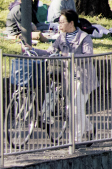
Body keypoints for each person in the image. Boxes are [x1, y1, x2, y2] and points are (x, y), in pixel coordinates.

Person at [22, 9, 98, 142]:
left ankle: (76, 140)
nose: (60, 24)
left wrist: (68, 56)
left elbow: (88, 56)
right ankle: (89, 128)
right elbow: (49, 52)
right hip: (68, 77)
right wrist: (32, 49)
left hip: (83, 77)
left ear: (71, 23)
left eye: (62, 22)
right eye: (59, 22)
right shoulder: (61, 37)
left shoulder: (84, 37)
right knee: (73, 107)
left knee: (76, 107)